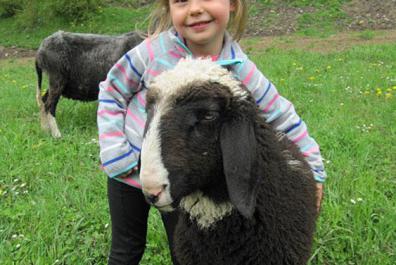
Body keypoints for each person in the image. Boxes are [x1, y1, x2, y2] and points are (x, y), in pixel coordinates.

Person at [97, 0, 326, 264]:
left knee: (185, 247)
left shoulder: (239, 67)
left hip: (184, 179)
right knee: (125, 248)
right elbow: (112, 90)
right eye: (181, 0)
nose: (194, 9)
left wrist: (315, 170)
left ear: (232, 4)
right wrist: (114, 150)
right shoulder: (151, 51)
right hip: (126, 169)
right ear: (168, 8)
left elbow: (282, 115)